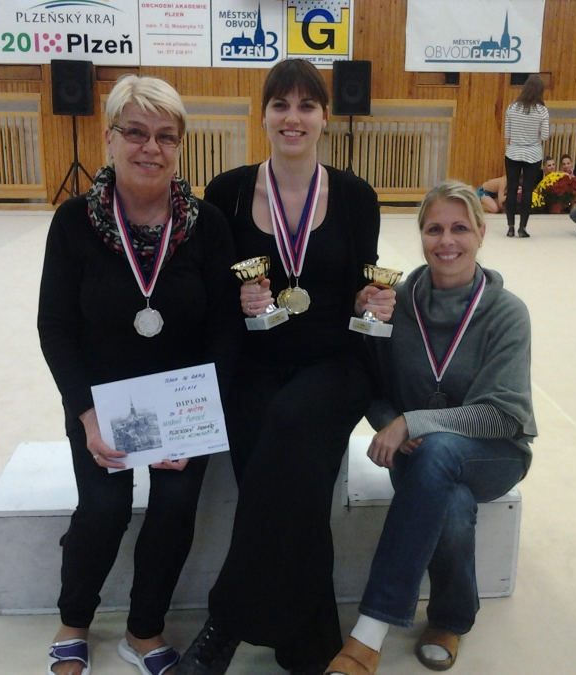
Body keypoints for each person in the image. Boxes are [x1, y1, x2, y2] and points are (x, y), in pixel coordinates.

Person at [176, 59, 392, 675]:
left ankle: (225, 622)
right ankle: (311, 642)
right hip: (254, 363)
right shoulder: (228, 191)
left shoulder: (355, 195)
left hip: (334, 363)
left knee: (291, 421)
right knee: (293, 488)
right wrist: (239, 299)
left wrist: (372, 302)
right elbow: (210, 293)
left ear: (324, 117)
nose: (292, 118)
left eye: (306, 105)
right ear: (264, 114)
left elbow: (363, 289)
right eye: (280, 104)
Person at [37, 75, 241, 675]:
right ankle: (74, 619)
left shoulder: (206, 224)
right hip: (102, 400)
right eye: (136, 132)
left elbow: (226, 328)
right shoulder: (74, 221)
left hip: (180, 402)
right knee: (103, 508)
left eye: (165, 136)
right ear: (109, 137)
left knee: (176, 505)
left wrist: (197, 419)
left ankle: (143, 631)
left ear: (179, 146)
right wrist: (85, 412)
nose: (151, 147)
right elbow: (55, 326)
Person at [324, 180, 536, 675]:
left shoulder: (507, 313)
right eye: (434, 229)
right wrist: (388, 420)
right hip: (415, 454)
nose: (447, 241)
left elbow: (504, 414)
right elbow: (372, 387)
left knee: (440, 452)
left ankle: (368, 634)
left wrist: (411, 422)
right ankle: (451, 619)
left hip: (493, 452)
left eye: (460, 228)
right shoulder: (394, 304)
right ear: (420, 235)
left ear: (481, 233)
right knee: (451, 501)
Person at [503, 75, 550, 238]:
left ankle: (510, 227)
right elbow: (545, 136)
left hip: (513, 152)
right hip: (533, 154)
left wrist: (510, 147)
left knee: (512, 189)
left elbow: (507, 134)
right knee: (527, 191)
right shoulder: (542, 111)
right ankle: (522, 228)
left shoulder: (512, 108)